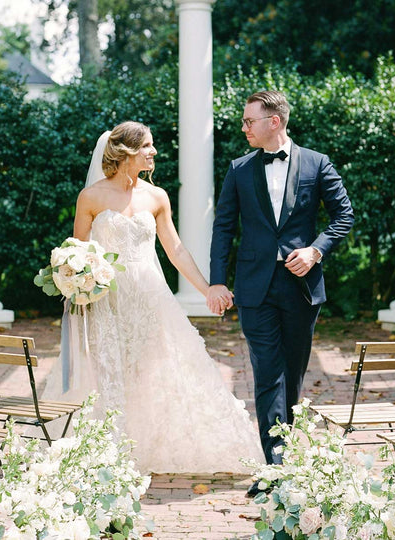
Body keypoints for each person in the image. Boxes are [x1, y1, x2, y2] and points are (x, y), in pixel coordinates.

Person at [48, 121, 264, 474]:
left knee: (152, 371)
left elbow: (176, 250)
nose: (154, 152)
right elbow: (79, 255)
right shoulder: (91, 197)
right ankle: (106, 450)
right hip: (107, 301)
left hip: (150, 299)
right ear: (127, 152)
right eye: (147, 146)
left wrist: (207, 287)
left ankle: (145, 445)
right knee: (110, 373)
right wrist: (78, 287)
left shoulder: (157, 196)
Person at [207, 91, 354, 491]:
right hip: (254, 288)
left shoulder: (316, 163)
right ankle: (275, 467)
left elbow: (345, 214)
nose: (243, 128)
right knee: (267, 372)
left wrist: (316, 250)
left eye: (249, 121)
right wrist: (217, 280)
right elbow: (223, 228)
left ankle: (285, 455)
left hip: (300, 288)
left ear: (274, 121)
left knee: (292, 373)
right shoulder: (238, 169)